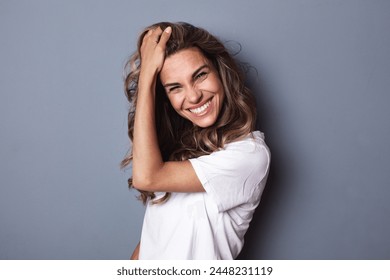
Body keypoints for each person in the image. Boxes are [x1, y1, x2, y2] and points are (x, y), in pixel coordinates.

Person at [121, 22, 270, 260]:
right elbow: (155, 239)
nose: (193, 96)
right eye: (175, 88)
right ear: (166, 98)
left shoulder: (249, 154)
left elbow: (147, 177)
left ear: (220, 72)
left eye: (200, 75)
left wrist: (147, 75)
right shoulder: (175, 154)